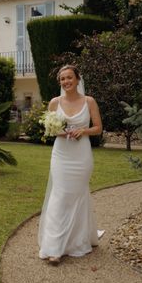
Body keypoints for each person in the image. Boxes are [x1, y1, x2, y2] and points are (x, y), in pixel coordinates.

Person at [38, 64, 103, 265]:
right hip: (61, 154)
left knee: (78, 195)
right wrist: (62, 132)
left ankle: (78, 240)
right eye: (62, 79)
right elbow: (50, 131)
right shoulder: (54, 103)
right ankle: (54, 248)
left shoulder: (89, 101)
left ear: (77, 79)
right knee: (60, 195)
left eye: (69, 77)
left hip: (81, 155)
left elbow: (98, 128)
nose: (66, 82)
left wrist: (83, 131)